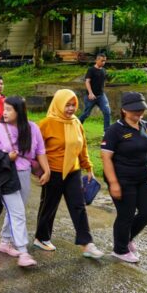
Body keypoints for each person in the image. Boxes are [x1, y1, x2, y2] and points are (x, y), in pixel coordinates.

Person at [34, 89, 104, 259]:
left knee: (78, 206)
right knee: (49, 206)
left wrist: (89, 168)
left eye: (74, 105)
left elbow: (82, 147)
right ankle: (41, 237)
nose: (71, 109)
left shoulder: (76, 123)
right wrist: (40, 170)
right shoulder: (46, 124)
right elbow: (35, 149)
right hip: (53, 172)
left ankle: (87, 244)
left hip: (73, 171)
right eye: (67, 105)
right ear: (58, 104)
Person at [0, 96, 50, 267]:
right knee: (18, 213)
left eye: (8, 109)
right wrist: (6, 156)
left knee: (15, 212)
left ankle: (5, 243)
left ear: (19, 111)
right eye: (3, 109)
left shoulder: (32, 128)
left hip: (24, 173)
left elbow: (40, 150)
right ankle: (23, 251)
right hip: (6, 176)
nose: (4, 113)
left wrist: (46, 170)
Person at [101, 92, 147, 263]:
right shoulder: (114, 130)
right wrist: (113, 183)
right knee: (126, 214)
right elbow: (106, 158)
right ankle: (119, 250)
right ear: (124, 110)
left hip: (143, 178)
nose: (139, 113)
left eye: (141, 110)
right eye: (135, 110)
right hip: (122, 179)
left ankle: (127, 238)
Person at [79, 53, 111, 130]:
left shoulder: (103, 70)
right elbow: (87, 81)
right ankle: (77, 127)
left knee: (107, 112)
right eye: (102, 61)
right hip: (91, 97)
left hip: (101, 96)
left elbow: (102, 81)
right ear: (97, 60)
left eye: (105, 61)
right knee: (86, 114)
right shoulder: (91, 70)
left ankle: (106, 131)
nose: (103, 62)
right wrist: (90, 93)